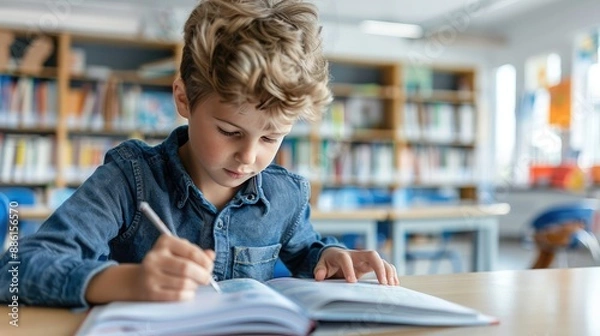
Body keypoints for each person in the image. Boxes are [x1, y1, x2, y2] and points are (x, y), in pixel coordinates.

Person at [0, 0, 398, 308]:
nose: (247, 156)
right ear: (184, 98)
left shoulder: (286, 195)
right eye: (229, 131)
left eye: (271, 138)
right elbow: (16, 270)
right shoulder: (129, 179)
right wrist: (129, 283)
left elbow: (307, 250)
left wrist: (332, 256)